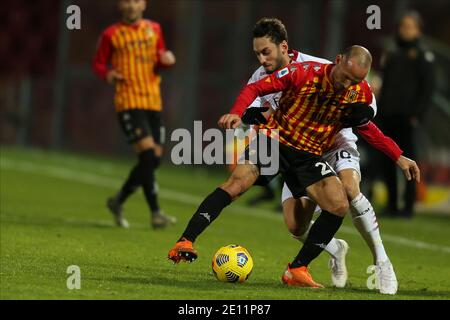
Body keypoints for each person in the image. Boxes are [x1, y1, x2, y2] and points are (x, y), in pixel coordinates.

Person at [169, 42, 410, 288]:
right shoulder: (303, 72)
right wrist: (237, 112)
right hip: (275, 139)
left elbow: (365, 128)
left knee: (335, 205)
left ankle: (296, 270)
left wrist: (398, 155)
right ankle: (186, 240)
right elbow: (255, 88)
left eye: (354, 80)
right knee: (237, 182)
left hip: (308, 154)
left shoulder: (360, 94)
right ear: (337, 60)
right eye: (345, 77)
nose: (346, 84)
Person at [241, 18, 420, 294]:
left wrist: (395, 151)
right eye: (260, 53)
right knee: (295, 225)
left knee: (349, 190)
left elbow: (367, 109)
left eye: (266, 51)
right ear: (338, 62)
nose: (348, 83)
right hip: (301, 151)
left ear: (282, 48)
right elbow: (251, 109)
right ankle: (335, 247)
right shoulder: (284, 75)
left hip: (336, 143)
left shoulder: (344, 78)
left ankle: (382, 261)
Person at [92, 0, 177, 229]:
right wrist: (108, 74)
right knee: (148, 156)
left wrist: (166, 61)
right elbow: (99, 64)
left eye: (136, 1)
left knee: (153, 160)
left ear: (144, 5)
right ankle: (156, 213)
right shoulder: (112, 34)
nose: (132, 5)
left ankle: (118, 201)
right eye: (127, 1)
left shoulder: (154, 29)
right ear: (120, 5)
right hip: (128, 101)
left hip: (153, 100)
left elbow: (158, 59)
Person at [378, 10, 435, 218]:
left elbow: (427, 89)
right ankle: (392, 203)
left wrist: (416, 115)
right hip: (388, 115)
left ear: (418, 30)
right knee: (388, 160)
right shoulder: (393, 54)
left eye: (410, 27)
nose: (405, 30)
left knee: (409, 161)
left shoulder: (423, 56)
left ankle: (408, 206)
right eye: (403, 26)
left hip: (408, 118)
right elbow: (386, 85)